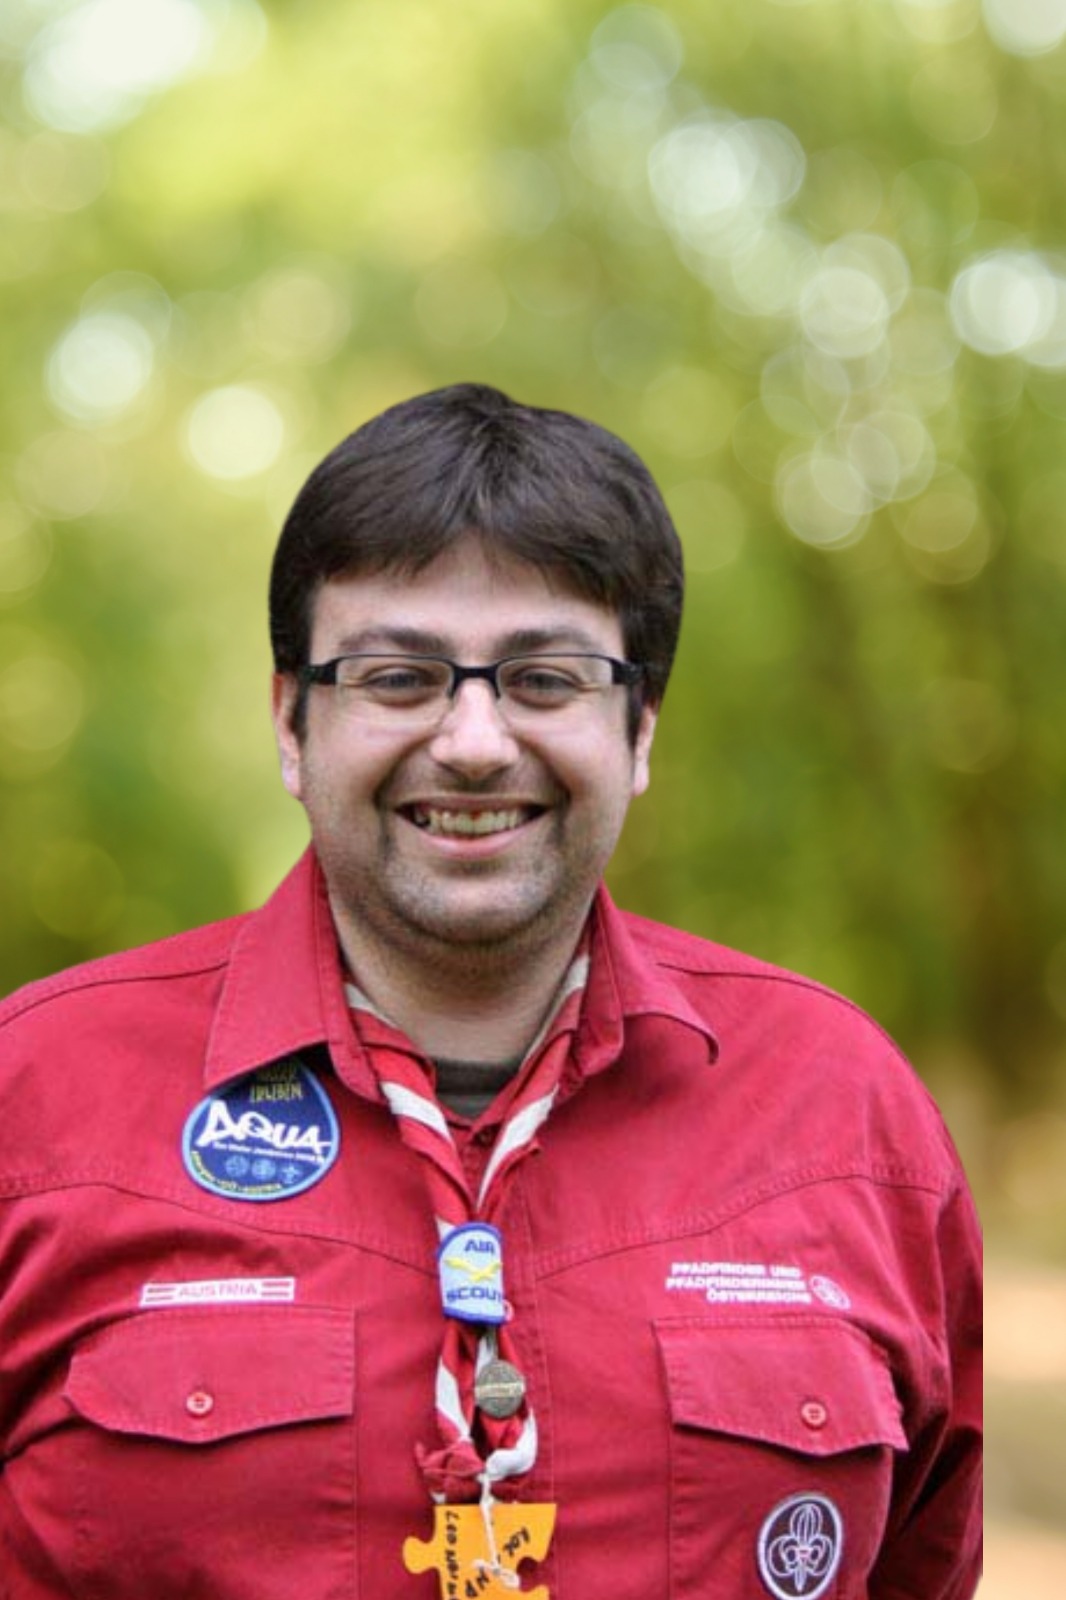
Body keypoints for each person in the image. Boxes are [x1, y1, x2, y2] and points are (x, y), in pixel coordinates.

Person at [0, 383, 981, 1600]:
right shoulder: (33, 1104)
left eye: (546, 678)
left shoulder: (848, 1118)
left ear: (639, 727)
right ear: (293, 722)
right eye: (397, 676)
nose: (472, 741)